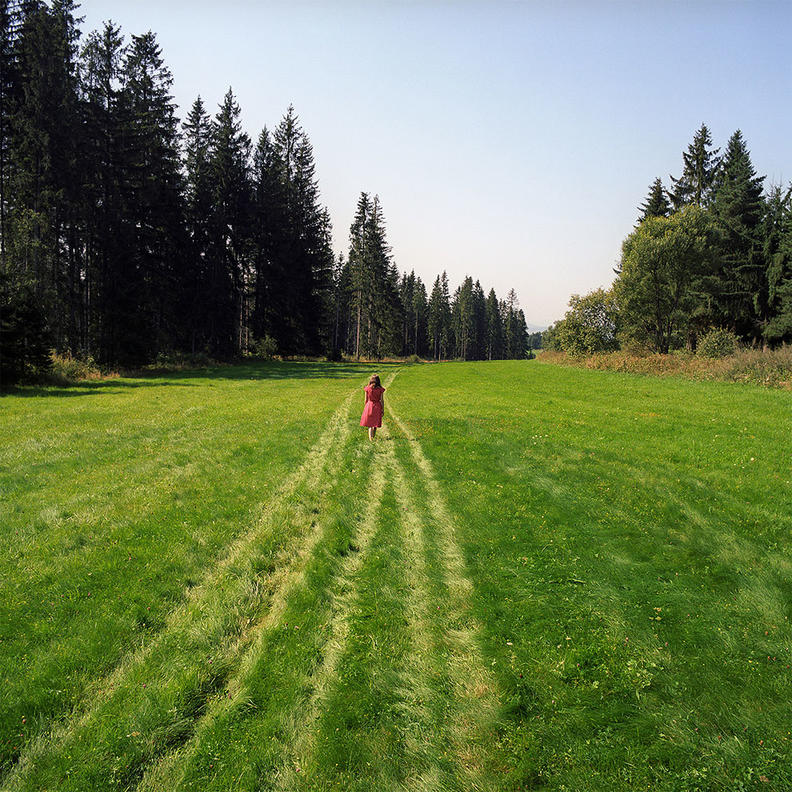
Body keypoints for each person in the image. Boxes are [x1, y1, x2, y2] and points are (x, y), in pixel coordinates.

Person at [360, 374, 385, 441]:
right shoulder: (380, 389)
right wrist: (382, 409)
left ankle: (371, 439)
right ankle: (373, 436)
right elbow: (382, 400)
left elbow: (366, 399)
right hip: (377, 406)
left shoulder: (367, 388)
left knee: (370, 424)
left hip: (369, 405)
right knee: (375, 423)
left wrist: (366, 407)